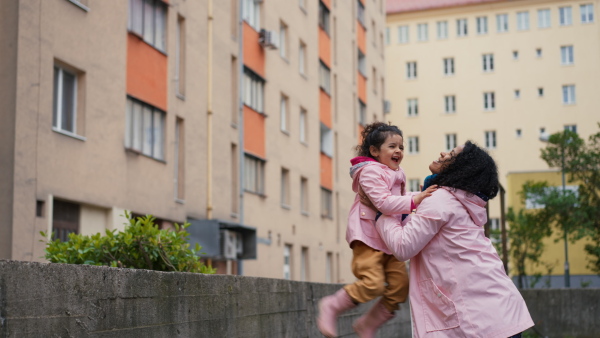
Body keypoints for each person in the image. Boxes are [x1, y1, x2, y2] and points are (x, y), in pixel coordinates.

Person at [365, 141, 534, 338]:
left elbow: (403, 246)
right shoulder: (457, 201)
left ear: (462, 168)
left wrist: (381, 213)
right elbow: (416, 220)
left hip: (482, 320)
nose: (443, 153)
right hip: (498, 312)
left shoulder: (440, 200)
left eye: (452, 154)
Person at [317, 122, 436, 338]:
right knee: (372, 284)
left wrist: (416, 197)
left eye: (401, 147)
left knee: (400, 287)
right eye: (392, 146)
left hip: (389, 239)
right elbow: (383, 202)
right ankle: (332, 305)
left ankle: (368, 324)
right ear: (374, 151)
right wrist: (415, 200)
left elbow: (397, 200)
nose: (398, 151)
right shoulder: (369, 171)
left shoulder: (398, 172)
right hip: (367, 236)